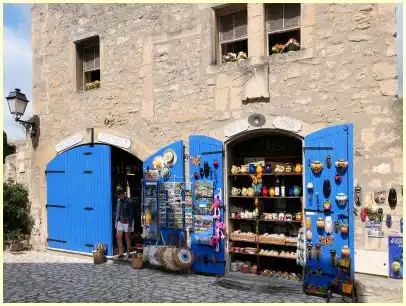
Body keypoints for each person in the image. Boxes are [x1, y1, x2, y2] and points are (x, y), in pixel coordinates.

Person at [115, 187, 134, 259]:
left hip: (127, 221)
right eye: (118, 196)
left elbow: (131, 214)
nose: (119, 197)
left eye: (119, 196)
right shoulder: (119, 200)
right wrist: (116, 222)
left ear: (123, 194)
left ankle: (128, 253)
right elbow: (117, 212)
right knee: (118, 236)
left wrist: (129, 224)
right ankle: (121, 253)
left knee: (127, 237)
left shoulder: (129, 201)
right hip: (120, 221)